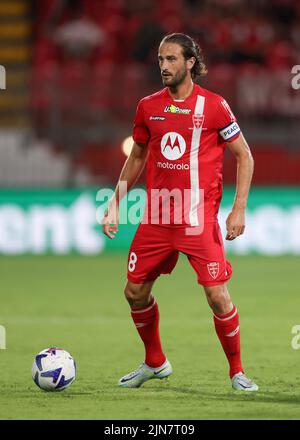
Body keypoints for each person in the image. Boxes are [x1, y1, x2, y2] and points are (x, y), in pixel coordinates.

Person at [102, 33, 258, 391]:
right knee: (134, 292)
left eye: (171, 59)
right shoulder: (147, 106)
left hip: (197, 219)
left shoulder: (215, 106)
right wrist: (115, 203)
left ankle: (237, 371)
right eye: (160, 59)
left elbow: (244, 156)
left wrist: (239, 210)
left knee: (218, 295)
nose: (164, 66)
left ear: (191, 63)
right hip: (157, 217)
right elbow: (138, 155)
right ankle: (155, 362)